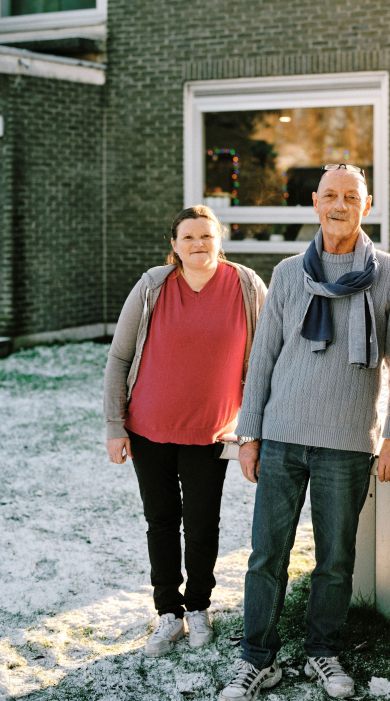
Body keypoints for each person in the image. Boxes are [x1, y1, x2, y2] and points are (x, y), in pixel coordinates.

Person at [220, 164, 390, 701]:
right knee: (266, 555)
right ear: (314, 201)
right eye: (330, 194)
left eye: (351, 196)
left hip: (349, 441)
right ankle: (256, 657)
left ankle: (322, 653)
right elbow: (262, 359)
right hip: (282, 434)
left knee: (334, 560)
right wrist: (249, 430)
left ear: (366, 205)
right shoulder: (286, 275)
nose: (339, 204)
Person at [104, 205, 267, 657]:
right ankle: (168, 614)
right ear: (174, 245)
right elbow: (119, 358)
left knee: (200, 526)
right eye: (188, 237)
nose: (199, 244)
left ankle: (198, 606)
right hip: (149, 429)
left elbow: (266, 362)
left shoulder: (247, 286)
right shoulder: (153, 285)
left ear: (220, 240)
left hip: (211, 432)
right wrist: (115, 426)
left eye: (206, 236)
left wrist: (254, 428)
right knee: (161, 522)